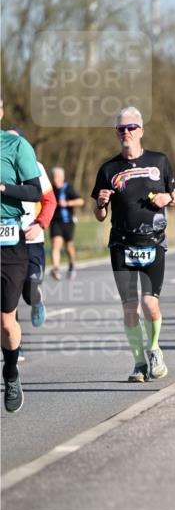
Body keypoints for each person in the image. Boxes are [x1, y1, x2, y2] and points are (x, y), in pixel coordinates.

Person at [91, 107, 175, 382]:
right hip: (121, 245)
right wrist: (102, 204)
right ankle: (139, 363)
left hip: (154, 243)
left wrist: (168, 199)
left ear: (140, 130)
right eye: (120, 129)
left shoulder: (159, 161)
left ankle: (153, 349)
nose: (125, 132)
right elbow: (99, 215)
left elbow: (174, 194)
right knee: (130, 308)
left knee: (150, 304)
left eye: (130, 127)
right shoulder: (108, 169)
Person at [1, 101, 42, 412]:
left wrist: (2, 187)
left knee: (6, 320)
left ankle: (11, 373)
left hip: (10, 241)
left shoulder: (16, 145)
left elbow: (33, 192)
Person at [5, 129, 56, 349]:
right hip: (9, 237)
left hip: (32, 236)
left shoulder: (37, 168)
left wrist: (40, 224)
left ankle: (36, 300)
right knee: (8, 294)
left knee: (28, 289)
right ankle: (15, 343)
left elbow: (49, 200)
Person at [49, 166, 84, 279]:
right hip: (55, 222)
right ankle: (56, 269)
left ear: (62, 177)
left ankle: (72, 265)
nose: (55, 179)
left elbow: (80, 201)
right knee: (56, 244)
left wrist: (67, 203)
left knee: (69, 246)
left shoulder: (68, 188)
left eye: (58, 177)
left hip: (68, 221)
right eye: (54, 177)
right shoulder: (50, 189)